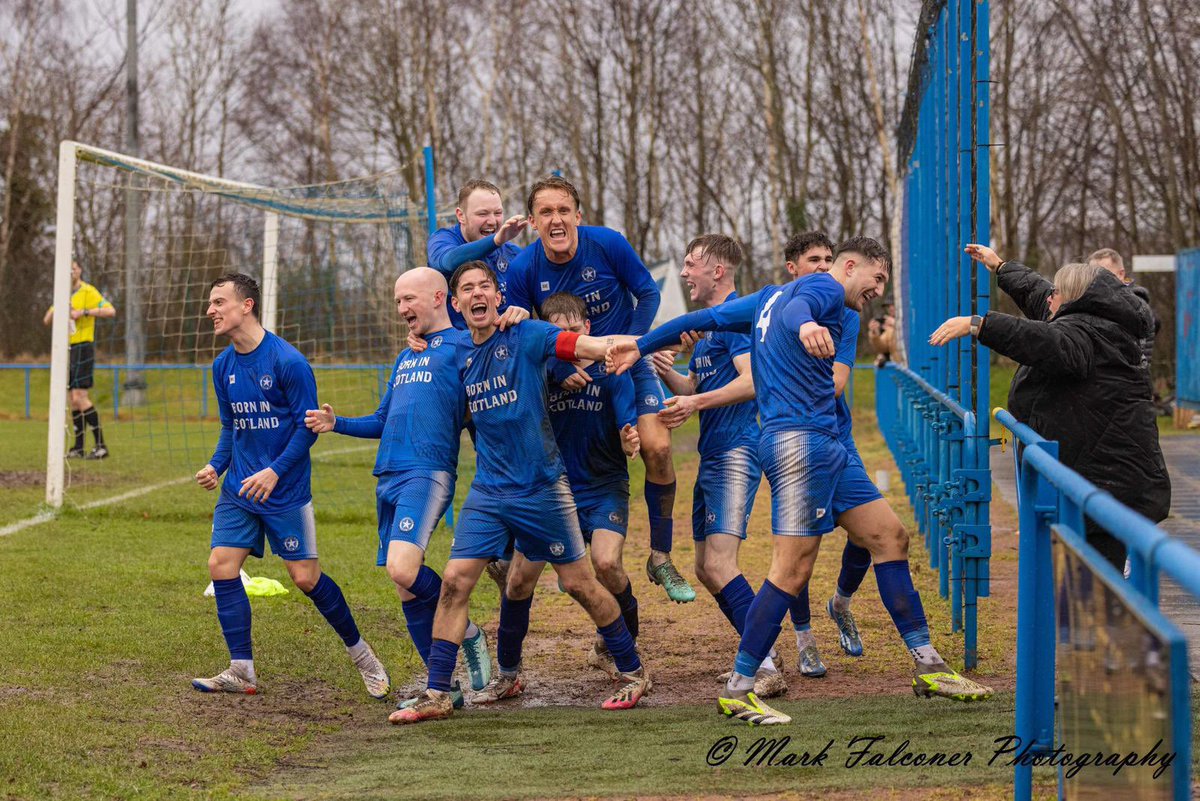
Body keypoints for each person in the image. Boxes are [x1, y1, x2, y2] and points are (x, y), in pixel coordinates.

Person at [612, 237, 992, 725]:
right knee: (791, 570)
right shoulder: (823, 291)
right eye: (877, 278)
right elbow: (804, 311)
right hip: (799, 445)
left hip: (828, 443)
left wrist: (639, 346)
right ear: (849, 266)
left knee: (889, 536)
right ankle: (741, 686)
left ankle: (929, 665)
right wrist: (810, 324)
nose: (878, 289)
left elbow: (697, 322)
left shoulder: (770, 295)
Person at [391, 261, 650, 724]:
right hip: (489, 492)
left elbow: (577, 344)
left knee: (578, 583)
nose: (476, 294)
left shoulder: (527, 335)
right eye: (466, 289)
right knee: (454, 582)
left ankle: (632, 669)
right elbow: (429, 351)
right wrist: (414, 341)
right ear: (455, 304)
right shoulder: (455, 355)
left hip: (543, 490)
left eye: (484, 286)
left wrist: (619, 346)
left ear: (497, 296)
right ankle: (436, 693)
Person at [192, 273, 389, 698]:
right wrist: (216, 465)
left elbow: (308, 429)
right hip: (241, 491)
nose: (210, 310)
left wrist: (275, 471)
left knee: (305, 578)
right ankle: (241, 670)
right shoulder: (222, 365)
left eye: (218, 301)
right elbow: (232, 426)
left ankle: (363, 656)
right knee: (221, 565)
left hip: (285, 490)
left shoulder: (289, 362)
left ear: (246, 306)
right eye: (210, 303)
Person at [303, 268, 492, 709]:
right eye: (398, 302)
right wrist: (337, 424)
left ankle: (468, 631)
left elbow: (495, 376)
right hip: (387, 475)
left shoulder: (467, 344)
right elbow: (384, 418)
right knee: (405, 588)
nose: (402, 309)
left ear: (440, 297)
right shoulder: (407, 356)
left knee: (403, 569)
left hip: (427, 472)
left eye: (409, 299)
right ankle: (444, 689)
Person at [504, 175, 696, 604]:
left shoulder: (608, 243)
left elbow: (647, 293)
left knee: (658, 447)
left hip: (626, 362)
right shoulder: (523, 269)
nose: (556, 219)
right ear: (534, 222)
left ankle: (661, 555)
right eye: (545, 212)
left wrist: (633, 345)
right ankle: (552, 550)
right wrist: (556, 364)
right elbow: (516, 333)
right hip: (568, 370)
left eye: (563, 210)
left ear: (578, 215)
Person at [936, 245, 1171, 569]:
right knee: (1088, 575)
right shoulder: (1092, 320)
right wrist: (1001, 267)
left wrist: (981, 324)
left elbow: (1044, 341)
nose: (1049, 297)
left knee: (1098, 582)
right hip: (1104, 472)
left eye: (1057, 292)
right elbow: (1040, 294)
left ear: (1074, 299)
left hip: (1107, 479)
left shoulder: (1084, 333)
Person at [648, 234, 786, 699]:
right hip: (714, 456)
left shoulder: (734, 324)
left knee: (721, 564)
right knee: (706, 568)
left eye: (691, 264)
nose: (685, 272)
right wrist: (662, 368)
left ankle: (763, 663)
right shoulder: (708, 332)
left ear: (718, 271)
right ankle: (761, 647)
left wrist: (694, 402)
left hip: (736, 452)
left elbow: (752, 383)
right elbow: (693, 385)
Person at [780, 232, 874, 679]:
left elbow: (837, 383)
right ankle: (804, 641)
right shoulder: (778, 304)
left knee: (872, 535)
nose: (822, 266)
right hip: (793, 444)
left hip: (838, 438)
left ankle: (841, 602)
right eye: (813, 259)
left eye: (829, 259)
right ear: (792, 268)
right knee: (797, 552)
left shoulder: (846, 312)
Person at [542, 292, 643, 678]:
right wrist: (553, 367)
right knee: (561, 581)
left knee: (606, 563)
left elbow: (626, 421)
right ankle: (508, 667)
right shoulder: (542, 374)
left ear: (587, 329)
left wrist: (628, 438)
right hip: (558, 491)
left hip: (605, 485)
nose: (567, 337)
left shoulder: (612, 371)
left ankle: (625, 636)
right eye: (558, 334)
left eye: (573, 329)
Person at [426, 179, 527, 328]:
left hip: (504, 343)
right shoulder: (442, 240)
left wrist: (524, 315)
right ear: (461, 216)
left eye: (498, 213)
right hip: (458, 344)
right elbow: (448, 262)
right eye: (482, 214)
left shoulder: (514, 255)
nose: (492, 221)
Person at [43, 259, 116, 459]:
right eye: (67, 270)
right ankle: (78, 447)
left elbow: (110, 310)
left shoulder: (88, 291)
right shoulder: (63, 295)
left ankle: (101, 446)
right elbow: (46, 319)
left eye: (73, 269)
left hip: (83, 347)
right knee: (72, 401)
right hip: (67, 350)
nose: (70, 273)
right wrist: (60, 309)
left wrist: (83, 312)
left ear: (79, 271)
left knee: (79, 397)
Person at [1088, 247, 1158, 377]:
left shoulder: (1134, 306)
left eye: (1104, 274)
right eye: (1092, 274)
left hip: (1128, 385)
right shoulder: (1104, 302)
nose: (1096, 280)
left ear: (1121, 274)